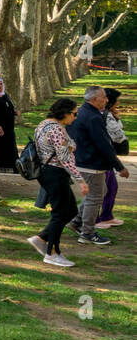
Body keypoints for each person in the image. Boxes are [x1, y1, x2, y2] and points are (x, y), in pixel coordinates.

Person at [66, 85, 128, 245]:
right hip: (91, 163)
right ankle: (87, 232)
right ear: (94, 99)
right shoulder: (93, 117)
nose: (107, 100)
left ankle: (77, 221)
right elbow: (104, 144)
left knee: (100, 192)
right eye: (104, 97)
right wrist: (119, 166)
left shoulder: (81, 112)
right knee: (95, 198)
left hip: (82, 160)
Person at [29, 99, 86, 267]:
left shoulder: (44, 124)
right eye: (74, 114)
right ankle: (52, 252)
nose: (75, 117)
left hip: (49, 172)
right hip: (54, 173)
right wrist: (81, 180)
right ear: (65, 113)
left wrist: (69, 146)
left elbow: (68, 147)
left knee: (70, 210)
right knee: (60, 213)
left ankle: (41, 239)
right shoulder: (56, 130)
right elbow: (65, 158)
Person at [96, 88, 126, 230]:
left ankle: (107, 215)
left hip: (106, 157)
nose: (118, 102)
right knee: (102, 189)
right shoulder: (105, 116)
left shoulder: (108, 114)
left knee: (112, 187)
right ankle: (94, 219)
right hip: (101, 157)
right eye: (117, 100)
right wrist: (117, 120)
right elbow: (118, 135)